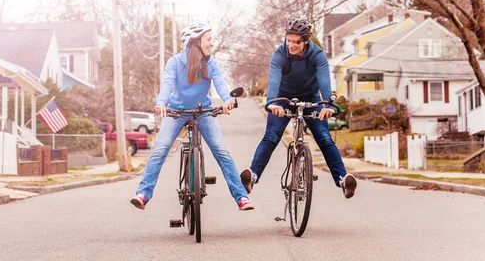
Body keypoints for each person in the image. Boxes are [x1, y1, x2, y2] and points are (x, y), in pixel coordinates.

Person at [131, 23, 254, 211]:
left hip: (203, 111)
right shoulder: (175, 62)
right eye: (208, 39)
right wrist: (161, 102)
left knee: (221, 151)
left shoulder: (211, 63)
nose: (212, 43)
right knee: (160, 149)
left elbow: (220, 83)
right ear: (195, 42)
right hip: (176, 112)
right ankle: (143, 194)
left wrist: (228, 100)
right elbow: (167, 83)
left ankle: (241, 198)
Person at [240, 18, 357, 199]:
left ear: (306, 42)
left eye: (296, 42)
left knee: (325, 138)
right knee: (271, 136)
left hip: (311, 99)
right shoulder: (279, 55)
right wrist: (272, 102)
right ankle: (252, 176)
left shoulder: (317, 55)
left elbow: (324, 81)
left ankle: (343, 180)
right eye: (289, 40)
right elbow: (274, 80)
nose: (291, 45)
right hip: (283, 99)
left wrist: (327, 104)